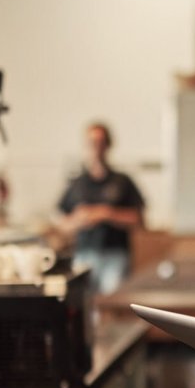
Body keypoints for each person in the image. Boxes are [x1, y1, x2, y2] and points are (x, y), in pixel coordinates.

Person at [58, 121, 145, 295]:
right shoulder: (77, 184)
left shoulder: (122, 182)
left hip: (115, 256)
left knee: (111, 305)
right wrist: (80, 219)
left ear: (108, 145)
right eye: (92, 143)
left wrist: (107, 213)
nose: (96, 148)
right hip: (84, 256)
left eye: (101, 142)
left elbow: (139, 219)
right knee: (83, 307)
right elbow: (62, 224)